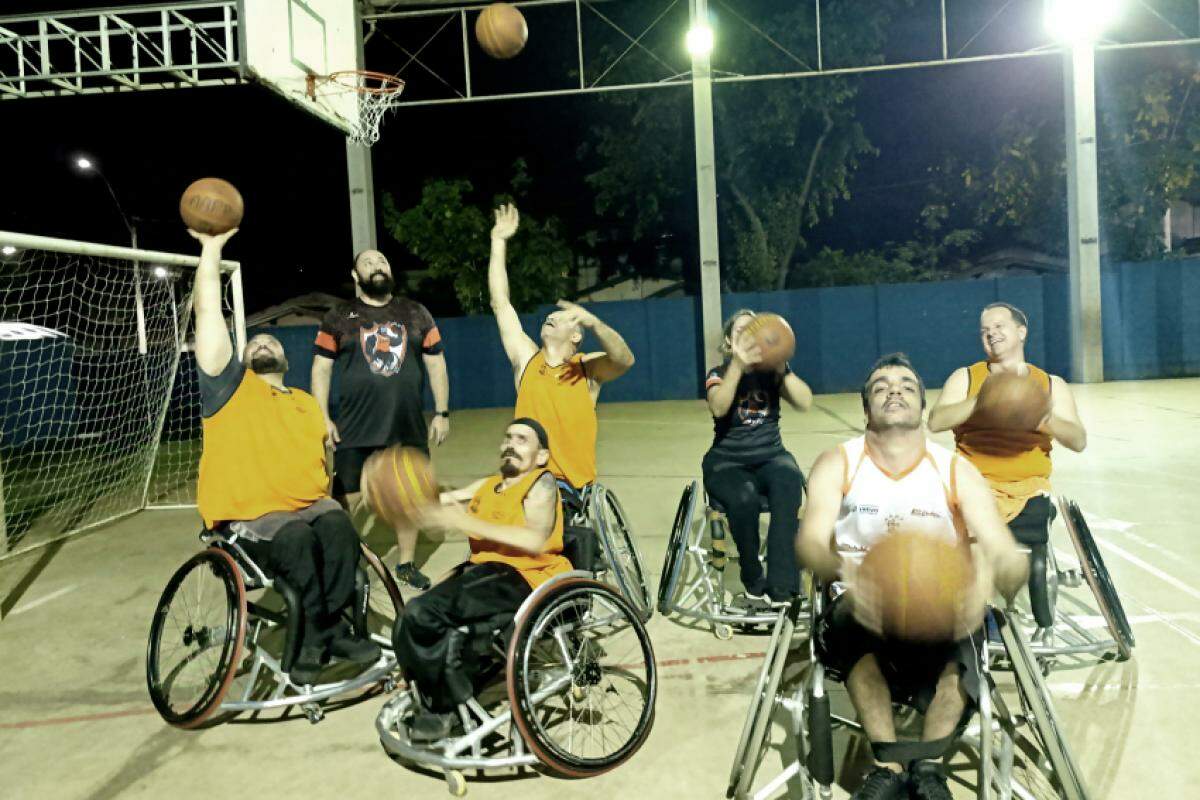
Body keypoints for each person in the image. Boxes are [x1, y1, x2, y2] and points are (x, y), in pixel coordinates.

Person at [797, 353, 1028, 800]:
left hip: (940, 603)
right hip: (861, 598)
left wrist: (987, 582)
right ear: (866, 410)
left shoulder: (954, 469)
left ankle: (930, 767)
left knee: (961, 651)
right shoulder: (838, 462)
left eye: (906, 385)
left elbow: (1001, 548)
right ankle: (884, 763)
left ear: (923, 408)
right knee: (854, 638)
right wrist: (851, 576)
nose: (894, 390)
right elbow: (810, 540)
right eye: (880, 386)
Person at [190, 227, 380, 686]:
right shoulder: (228, 390)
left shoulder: (304, 403)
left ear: (286, 360)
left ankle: (330, 625)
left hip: (306, 509)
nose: (262, 345)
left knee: (336, 526)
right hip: (251, 520)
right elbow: (208, 315)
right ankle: (314, 638)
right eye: (253, 343)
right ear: (239, 358)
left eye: (270, 343)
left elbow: (325, 465)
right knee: (295, 537)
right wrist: (211, 249)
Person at [392, 418, 570, 740]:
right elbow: (438, 503)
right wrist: (400, 496)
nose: (510, 444)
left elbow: (534, 540)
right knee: (409, 616)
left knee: (424, 614)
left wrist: (462, 521)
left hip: (525, 578)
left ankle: (447, 708)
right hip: (484, 573)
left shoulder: (541, 484)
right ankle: (440, 693)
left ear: (541, 456)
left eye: (521, 439)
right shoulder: (488, 485)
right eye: (507, 437)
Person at [927, 302, 1087, 627]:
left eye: (999, 326)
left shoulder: (1049, 384)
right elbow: (936, 420)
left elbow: (1078, 440)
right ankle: (983, 622)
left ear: (1021, 331)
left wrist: (1044, 417)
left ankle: (986, 617)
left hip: (1027, 488)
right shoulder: (967, 377)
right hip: (973, 484)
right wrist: (981, 401)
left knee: (982, 548)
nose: (991, 334)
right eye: (985, 330)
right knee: (975, 547)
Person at [311, 248, 451, 592]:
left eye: (383, 261)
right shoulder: (338, 317)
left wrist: (442, 412)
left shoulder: (416, 313)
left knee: (408, 496)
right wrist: (322, 418)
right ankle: (339, 564)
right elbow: (321, 368)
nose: (378, 266)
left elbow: (436, 363)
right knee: (346, 502)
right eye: (369, 262)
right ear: (356, 275)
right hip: (355, 427)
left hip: (406, 426)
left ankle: (405, 564)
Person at [487, 203, 634, 493]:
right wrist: (498, 241)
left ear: (577, 335)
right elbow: (500, 302)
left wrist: (597, 325)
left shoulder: (586, 368)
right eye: (549, 316)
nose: (551, 317)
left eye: (561, 317)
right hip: (530, 483)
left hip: (573, 489)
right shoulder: (526, 358)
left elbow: (624, 360)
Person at [703, 310, 813, 606]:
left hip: (771, 455)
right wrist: (738, 366)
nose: (749, 336)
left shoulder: (772, 373)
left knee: (789, 482)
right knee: (744, 498)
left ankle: (782, 585)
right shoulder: (718, 374)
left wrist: (783, 368)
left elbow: (805, 401)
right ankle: (752, 576)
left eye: (754, 330)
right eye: (741, 331)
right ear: (729, 341)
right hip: (727, 461)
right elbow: (719, 407)